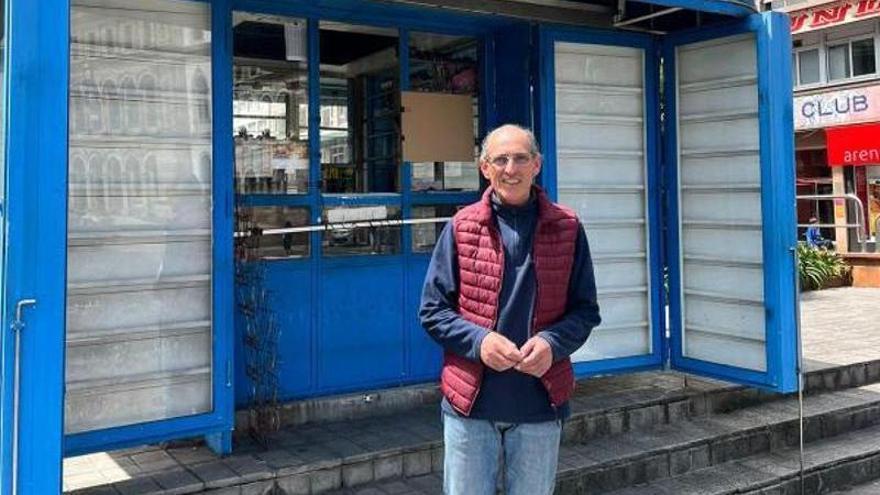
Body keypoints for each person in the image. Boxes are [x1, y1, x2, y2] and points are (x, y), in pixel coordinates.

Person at [419, 124, 601, 495]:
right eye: (500, 159)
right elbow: (433, 311)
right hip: (472, 405)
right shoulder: (461, 226)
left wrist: (552, 343)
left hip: (539, 402)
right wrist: (479, 341)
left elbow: (585, 311)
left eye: (520, 158)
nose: (510, 168)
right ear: (484, 167)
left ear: (537, 164)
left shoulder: (567, 227)